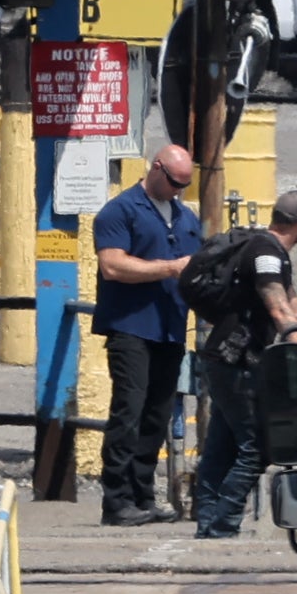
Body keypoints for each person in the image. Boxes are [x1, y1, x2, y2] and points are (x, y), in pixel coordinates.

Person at [182, 187, 297, 541]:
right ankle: (223, 523)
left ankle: (210, 526)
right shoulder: (266, 254)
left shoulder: (273, 252)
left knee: (221, 446)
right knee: (257, 447)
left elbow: (295, 306)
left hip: (228, 360)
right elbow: (279, 310)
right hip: (235, 362)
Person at [88, 141, 207, 522]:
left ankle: (143, 496)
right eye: (174, 182)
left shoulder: (185, 217)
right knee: (129, 410)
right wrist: (170, 268)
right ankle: (117, 500)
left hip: (169, 329)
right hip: (131, 328)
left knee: (156, 415)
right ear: (156, 168)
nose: (178, 191)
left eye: (184, 185)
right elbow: (113, 265)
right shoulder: (120, 211)